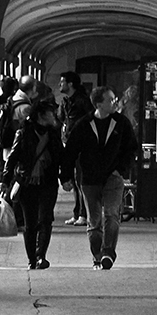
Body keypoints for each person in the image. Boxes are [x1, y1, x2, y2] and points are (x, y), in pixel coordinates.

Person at [60, 85, 138, 270]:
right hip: (89, 179)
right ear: (99, 104)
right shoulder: (84, 125)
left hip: (113, 177)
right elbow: (70, 152)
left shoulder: (121, 123)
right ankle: (97, 255)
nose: (115, 102)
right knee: (94, 223)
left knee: (111, 215)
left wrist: (121, 169)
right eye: (110, 100)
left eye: (114, 99)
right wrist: (66, 177)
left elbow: (131, 148)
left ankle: (108, 253)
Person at [0, 100, 64, 270]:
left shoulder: (54, 133)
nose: (54, 116)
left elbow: (61, 157)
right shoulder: (24, 133)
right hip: (27, 183)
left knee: (46, 219)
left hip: (48, 182)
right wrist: (5, 181)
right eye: (51, 113)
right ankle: (32, 260)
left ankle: (41, 255)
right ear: (41, 115)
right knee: (30, 223)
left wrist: (65, 177)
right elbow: (12, 158)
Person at [57, 71, 93, 226]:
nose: (60, 84)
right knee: (72, 179)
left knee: (80, 179)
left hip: (81, 145)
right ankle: (77, 212)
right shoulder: (66, 102)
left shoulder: (82, 101)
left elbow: (91, 119)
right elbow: (60, 119)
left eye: (62, 81)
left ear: (70, 84)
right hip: (67, 143)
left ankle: (84, 213)